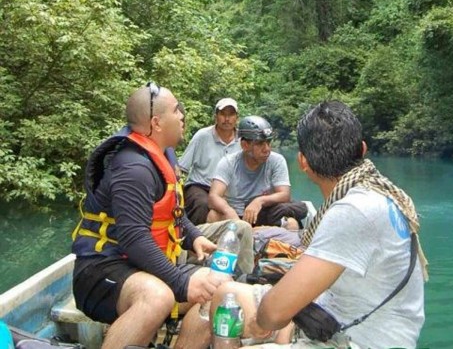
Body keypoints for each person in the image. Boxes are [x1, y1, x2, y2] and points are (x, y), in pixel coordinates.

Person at [204, 101, 428, 349]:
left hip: (358, 340)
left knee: (238, 311)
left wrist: (263, 320)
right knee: (225, 296)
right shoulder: (378, 194)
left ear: (303, 162)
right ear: (362, 149)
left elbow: (274, 314)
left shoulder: (352, 211)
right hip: (340, 317)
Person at [71, 83, 220, 349]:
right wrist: (181, 283)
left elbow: (174, 215)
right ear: (157, 122)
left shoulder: (164, 155)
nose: (183, 116)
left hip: (141, 265)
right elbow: (133, 237)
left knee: (218, 290)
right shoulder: (133, 167)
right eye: (177, 110)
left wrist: (194, 236)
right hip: (101, 269)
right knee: (158, 296)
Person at [207, 115, 308, 227]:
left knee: (292, 224)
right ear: (245, 145)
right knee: (213, 215)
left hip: (265, 214)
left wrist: (259, 201)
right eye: (260, 144)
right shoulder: (228, 163)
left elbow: (284, 194)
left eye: (268, 143)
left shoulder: (276, 160)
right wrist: (228, 211)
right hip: (236, 215)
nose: (267, 149)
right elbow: (213, 197)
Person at [179, 97, 241, 225]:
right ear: (216, 117)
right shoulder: (202, 136)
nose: (227, 119)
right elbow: (181, 168)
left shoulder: (243, 141)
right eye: (223, 114)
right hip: (200, 186)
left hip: (229, 190)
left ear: (237, 118)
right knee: (202, 204)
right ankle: (196, 239)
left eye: (231, 115)